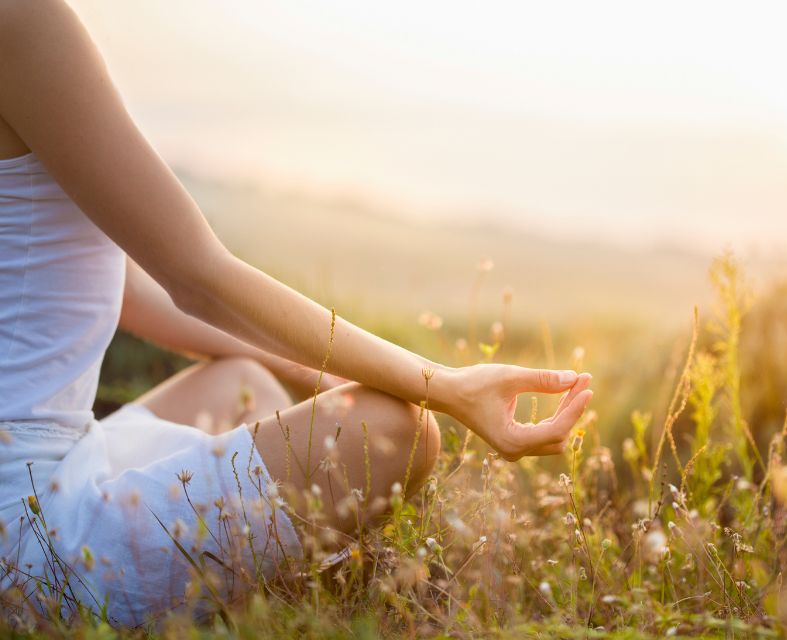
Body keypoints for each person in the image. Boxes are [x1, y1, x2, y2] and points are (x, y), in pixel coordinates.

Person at [0, 0, 593, 626]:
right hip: (25, 534)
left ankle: (237, 603)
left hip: (62, 460)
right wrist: (446, 388)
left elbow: (132, 295)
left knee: (242, 385)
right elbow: (199, 277)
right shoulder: (22, 18)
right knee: (392, 432)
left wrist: (331, 376)